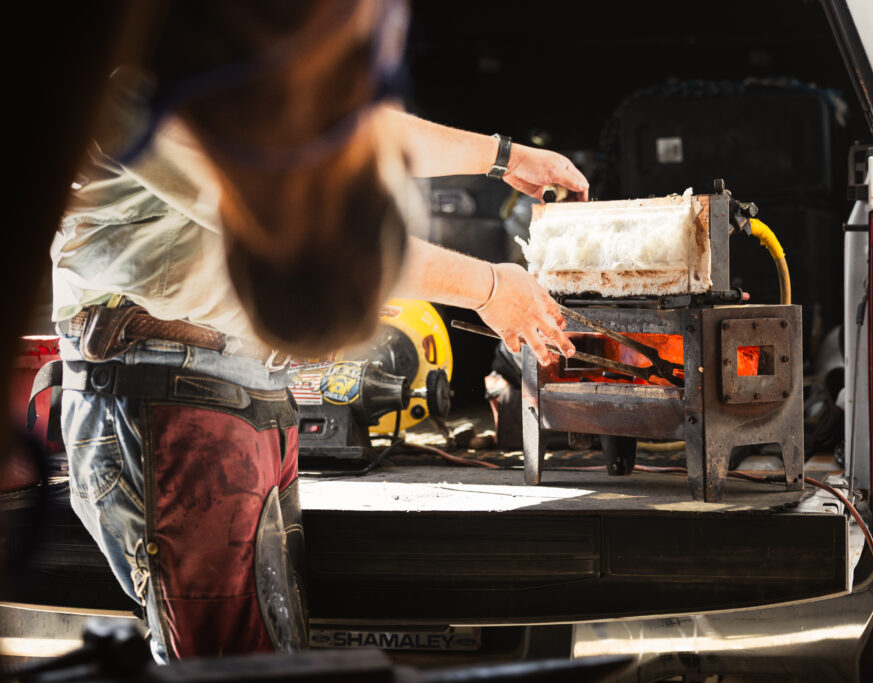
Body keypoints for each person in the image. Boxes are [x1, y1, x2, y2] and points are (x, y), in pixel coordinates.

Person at [53, 102, 585, 661]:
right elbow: (301, 232)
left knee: (269, 659)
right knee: (226, 669)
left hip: (234, 389)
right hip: (168, 389)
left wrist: (504, 157)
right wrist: (489, 288)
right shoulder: (150, 74)